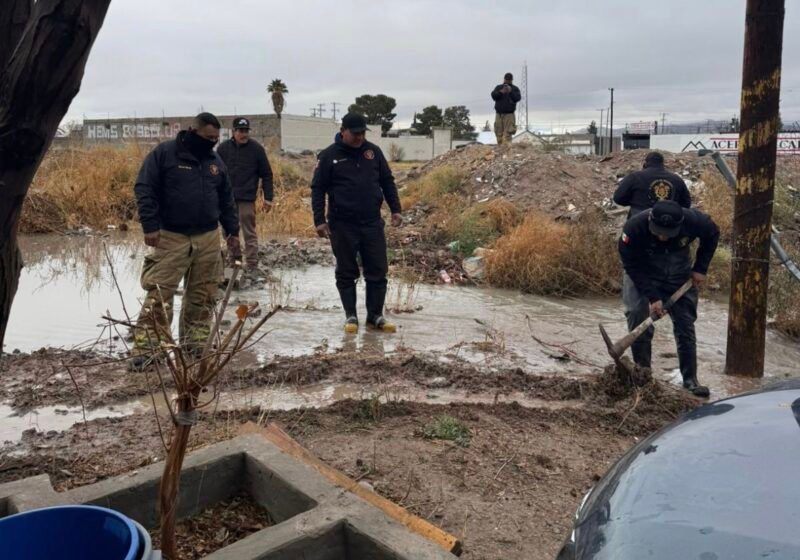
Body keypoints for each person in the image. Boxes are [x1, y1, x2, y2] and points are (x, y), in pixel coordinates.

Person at [130, 112, 241, 369]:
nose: (212, 142)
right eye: (207, 137)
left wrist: (232, 233)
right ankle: (148, 348)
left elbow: (226, 198)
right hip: (171, 235)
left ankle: (195, 343)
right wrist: (150, 225)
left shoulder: (215, 161)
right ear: (193, 131)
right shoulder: (165, 154)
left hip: (208, 236)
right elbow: (144, 188)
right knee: (159, 292)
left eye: (216, 138)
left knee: (203, 294)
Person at [311, 112, 402, 334]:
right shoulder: (329, 156)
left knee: (378, 270)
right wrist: (319, 221)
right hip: (342, 225)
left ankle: (375, 316)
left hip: (371, 222)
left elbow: (387, 181)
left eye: (363, 133)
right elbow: (318, 189)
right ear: (343, 131)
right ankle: (351, 316)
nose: (360, 137)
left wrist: (396, 209)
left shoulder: (373, 152)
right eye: (355, 133)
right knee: (346, 271)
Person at [618, 200, 719, 397]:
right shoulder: (634, 228)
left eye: (668, 233)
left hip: (679, 273)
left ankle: (690, 380)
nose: (663, 237)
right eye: (659, 232)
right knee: (638, 314)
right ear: (650, 221)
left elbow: (713, 233)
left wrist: (701, 268)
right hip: (642, 272)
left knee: (685, 323)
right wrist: (653, 297)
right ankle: (643, 374)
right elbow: (630, 264)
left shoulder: (695, 220)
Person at [217, 117, 274, 276]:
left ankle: (252, 265)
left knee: (249, 231)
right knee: (228, 231)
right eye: (240, 131)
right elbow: (214, 174)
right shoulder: (222, 149)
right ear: (233, 132)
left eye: (246, 131)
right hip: (226, 199)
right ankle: (233, 260)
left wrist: (268, 198)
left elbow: (267, 175)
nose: (244, 134)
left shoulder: (256, 149)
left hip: (246, 198)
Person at [613, 151, 692, 218]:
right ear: (662, 163)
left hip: (639, 220)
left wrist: (634, 202)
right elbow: (686, 203)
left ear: (645, 163)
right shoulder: (676, 179)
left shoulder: (635, 177)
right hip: (668, 222)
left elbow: (618, 198)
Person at [491, 72, 522, 145]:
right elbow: (493, 96)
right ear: (504, 79)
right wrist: (501, 92)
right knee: (499, 133)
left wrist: (511, 92)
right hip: (499, 114)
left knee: (508, 134)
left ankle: (507, 151)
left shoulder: (515, 89)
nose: (507, 81)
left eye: (509, 80)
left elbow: (517, 98)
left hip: (509, 115)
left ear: (512, 80)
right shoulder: (498, 87)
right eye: (506, 80)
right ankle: (500, 149)